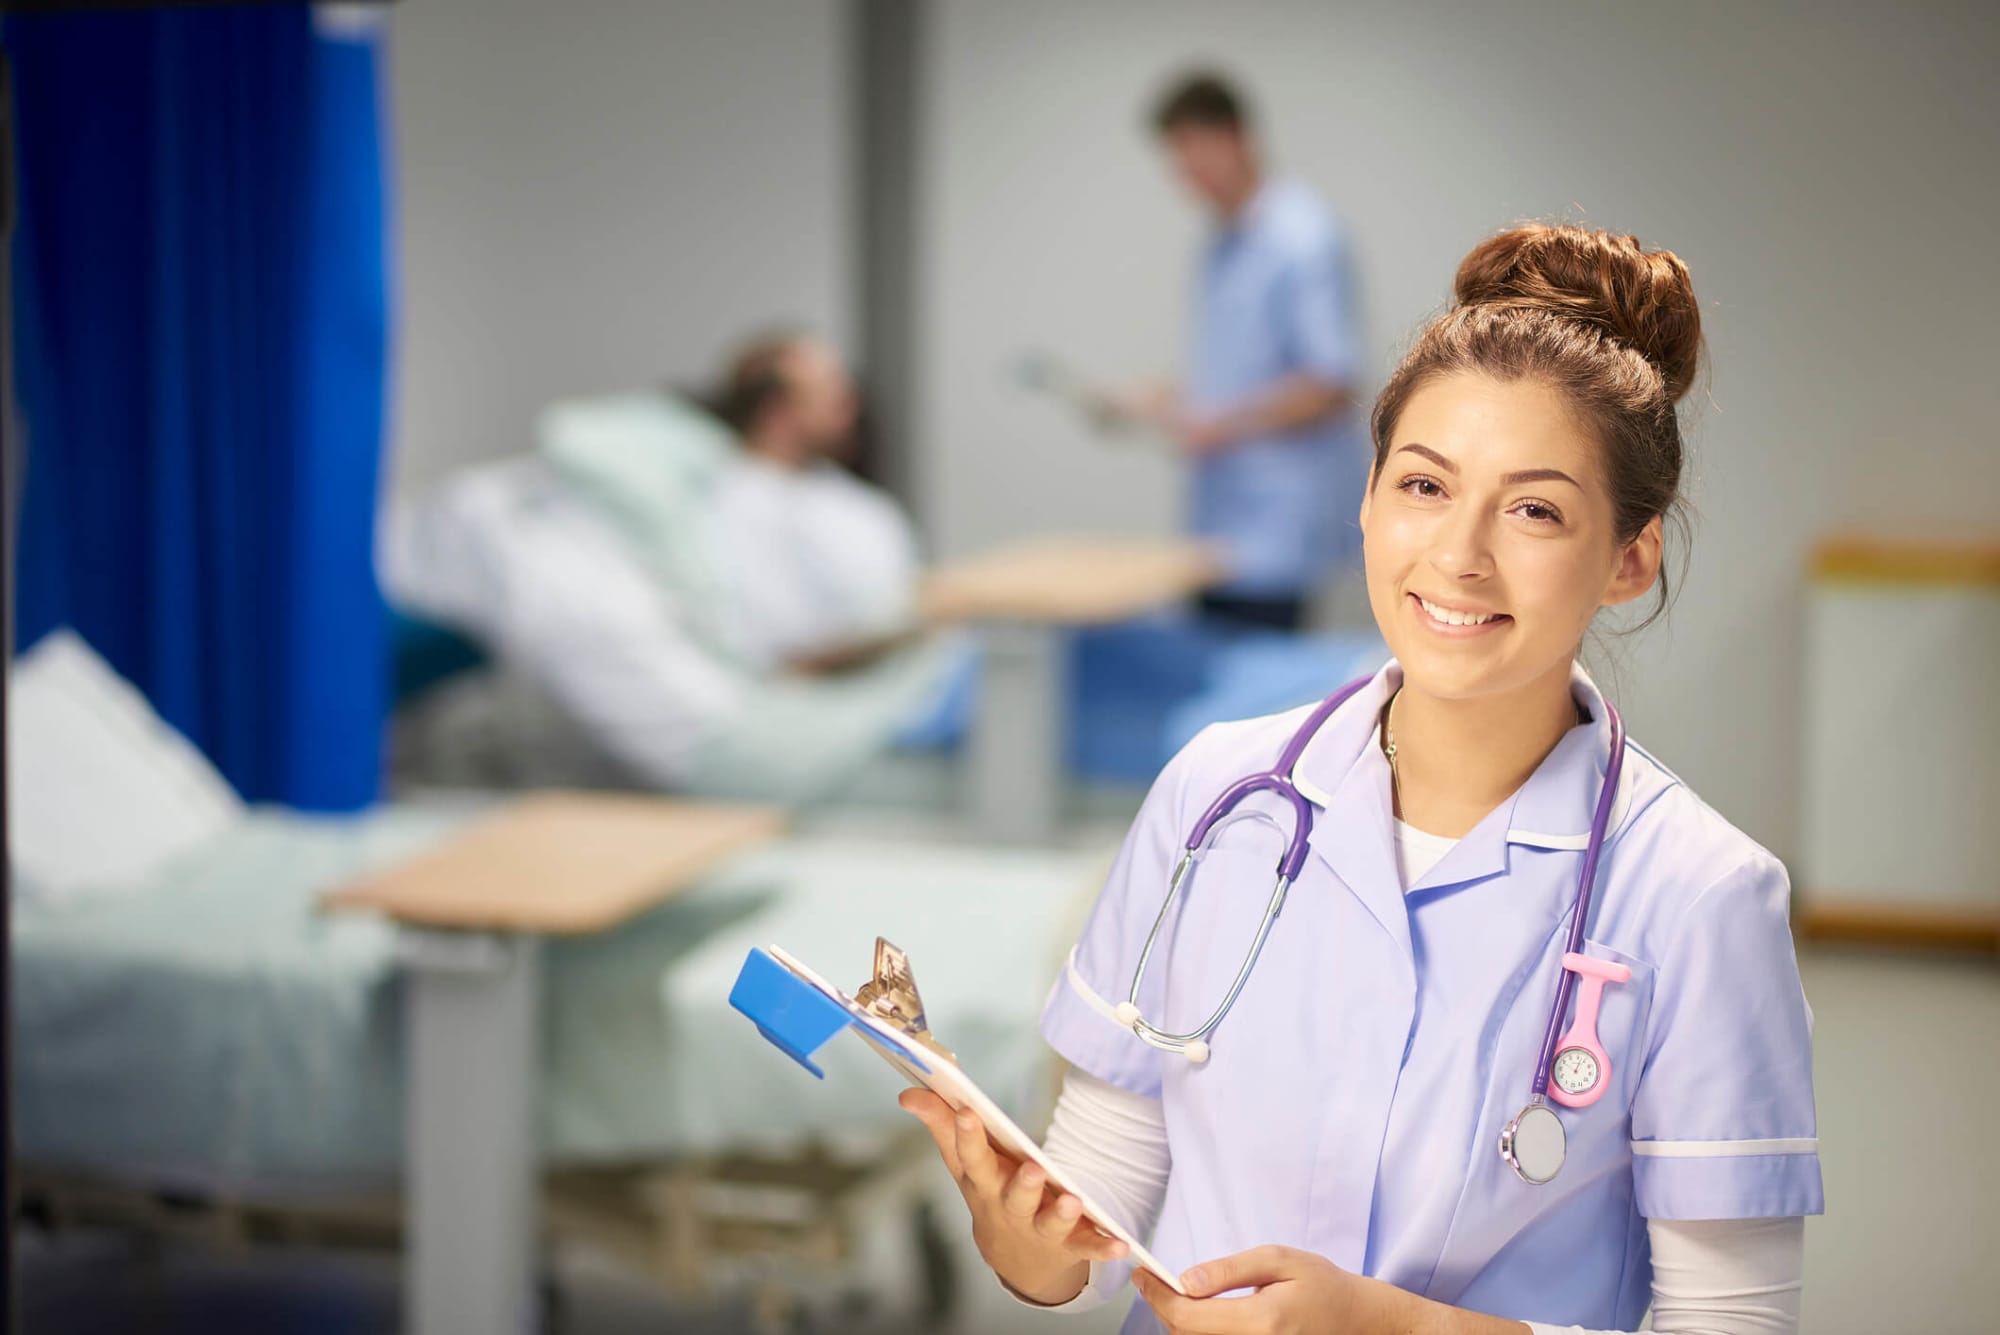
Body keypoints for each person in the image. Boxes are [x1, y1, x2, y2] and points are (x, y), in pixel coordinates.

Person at [903, 224, 1822, 1333]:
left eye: (1533, 509)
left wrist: (1399, 1328)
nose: (1458, 554)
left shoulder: (1699, 896)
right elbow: (1093, 1229)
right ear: (1367, 503)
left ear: (1629, 557)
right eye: (1423, 485)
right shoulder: (1214, 798)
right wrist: (1026, 1248)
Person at [1115, 72, 1366, 632]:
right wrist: (1167, 398)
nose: (1187, 178)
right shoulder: (1221, 242)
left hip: (1275, 533)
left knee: (1264, 697)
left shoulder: (1301, 237)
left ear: (1234, 137)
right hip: (1219, 527)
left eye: (1193, 157)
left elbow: (1330, 383)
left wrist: (1219, 425)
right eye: (1176, 163)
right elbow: (1241, 372)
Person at [705, 331, 924, 675]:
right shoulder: (723, 500)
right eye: (832, 394)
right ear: (776, 411)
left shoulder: (855, 502)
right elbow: (777, 650)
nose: (851, 406)